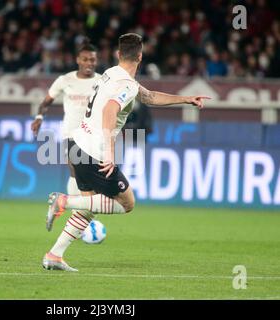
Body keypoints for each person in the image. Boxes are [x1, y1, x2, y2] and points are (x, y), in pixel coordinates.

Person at [43, 33, 210, 272]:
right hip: (95, 152)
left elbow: (149, 96)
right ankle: (63, 201)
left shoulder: (111, 73)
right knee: (127, 203)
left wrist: (186, 99)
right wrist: (110, 153)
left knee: (89, 207)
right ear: (140, 57)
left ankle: (54, 255)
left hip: (76, 145)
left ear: (119, 54)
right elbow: (110, 110)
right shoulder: (127, 85)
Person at [31, 40, 101, 271]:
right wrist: (39, 118)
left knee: (89, 190)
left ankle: (65, 204)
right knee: (84, 184)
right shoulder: (65, 80)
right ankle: (67, 207)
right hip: (72, 137)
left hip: (95, 138)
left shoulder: (102, 81)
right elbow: (46, 102)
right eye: (85, 59)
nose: (89, 63)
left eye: (93, 59)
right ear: (77, 60)